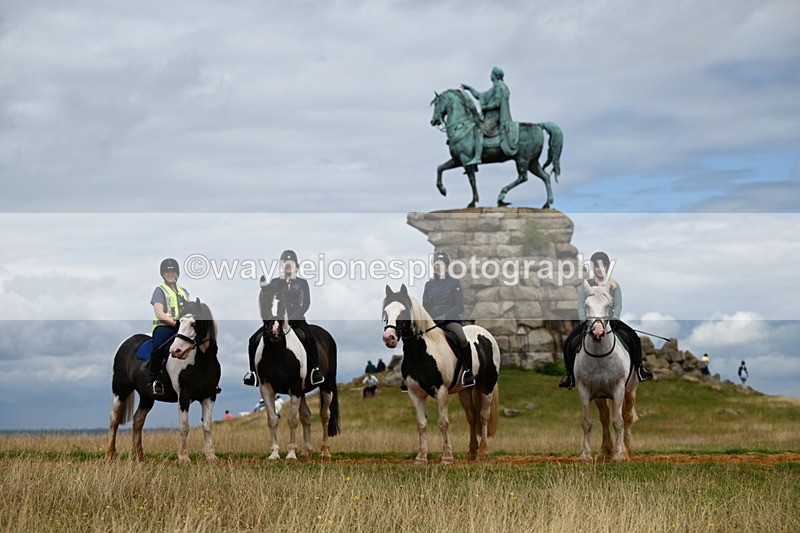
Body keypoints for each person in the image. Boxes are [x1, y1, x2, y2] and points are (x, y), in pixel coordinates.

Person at [559, 251, 653, 389]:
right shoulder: (586, 285)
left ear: (608, 267)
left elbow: (618, 304)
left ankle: (639, 370)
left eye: (603, 266)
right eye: (597, 266)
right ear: (593, 267)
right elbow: (580, 305)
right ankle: (570, 376)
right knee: (569, 342)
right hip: (590, 321)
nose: (600, 269)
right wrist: (584, 320)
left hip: (610, 320)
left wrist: (615, 318)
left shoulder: (614, 285)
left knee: (634, 338)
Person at [243, 249, 324, 387]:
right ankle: (253, 374)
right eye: (285, 263)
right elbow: (265, 299)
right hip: (276, 320)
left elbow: (305, 303)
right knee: (253, 340)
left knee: (307, 337)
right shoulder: (273, 283)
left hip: (296, 320)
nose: (288, 266)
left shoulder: (302, 283)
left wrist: (293, 316)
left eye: (291, 263)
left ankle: (315, 370)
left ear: (296, 266)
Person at [423, 250, 475, 388]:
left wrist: (445, 317)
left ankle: (468, 372)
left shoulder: (454, 283)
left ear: (446, 266)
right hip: (433, 322)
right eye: (435, 264)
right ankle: (410, 375)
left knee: (462, 339)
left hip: (450, 320)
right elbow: (425, 307)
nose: (437, 266)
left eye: (440, 264)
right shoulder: (429, 285)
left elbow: (459, 307)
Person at [461, 66, 518, 166]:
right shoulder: (495, 87)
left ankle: (478, 157)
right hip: (491, 118)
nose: (490, 75)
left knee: (478, 131)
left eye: (491, 74)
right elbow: (480, 95)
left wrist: (485, 108)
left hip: (495, 119)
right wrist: (470, 89)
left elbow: (497, 103)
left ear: (495, 76)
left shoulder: (499, 87)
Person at [148, 258, 189, 396]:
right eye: (167, 272)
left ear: (177, 273)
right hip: (164, 326)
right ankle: (153, 380)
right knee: (159, 346)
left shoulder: (184, 292)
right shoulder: (159, 290)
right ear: (163, 274)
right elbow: (159, 312)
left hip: (182, 326)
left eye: (172, 271)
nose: (170, 274)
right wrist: (174, 322)